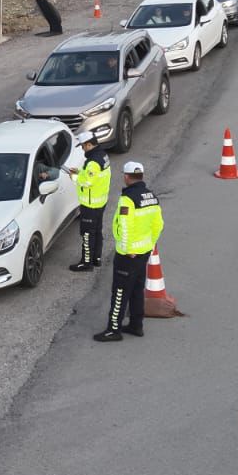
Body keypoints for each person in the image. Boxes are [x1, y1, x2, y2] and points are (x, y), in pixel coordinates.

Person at [94, 160, 164, 342]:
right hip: (144, 252)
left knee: (120, 291)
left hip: (129, 255)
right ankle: (136, 325)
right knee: (137, 290)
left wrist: (127, 249)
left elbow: (124, 226)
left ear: (126, 177)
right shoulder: (151, 196)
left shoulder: (128, 199)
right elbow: (158, 224)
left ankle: (113, 329)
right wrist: (150, 245)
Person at [66, 130, 111, 271]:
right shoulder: (102, 155)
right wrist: (79, 172)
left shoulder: (93, 162)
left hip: (90, 205)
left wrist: (74, 178)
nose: (83, 149)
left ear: (89, 144)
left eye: (83, 146)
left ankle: (86, 263)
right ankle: (96, 258)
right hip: (100, 202)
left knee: (87, 234)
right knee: (97, 231)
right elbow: (94, 177)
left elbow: (88, 182)